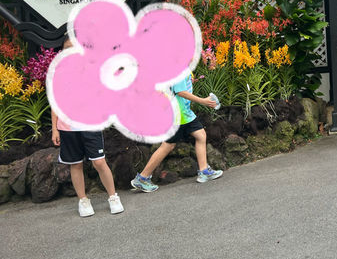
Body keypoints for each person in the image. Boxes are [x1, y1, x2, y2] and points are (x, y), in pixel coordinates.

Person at [52, 39, 124, 217]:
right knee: (75, 164)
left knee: (99, 161)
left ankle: (113, 197)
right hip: (67, 127)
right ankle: (83, 201)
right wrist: (54, 129)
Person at [131, 73, 222, 192]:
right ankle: (142, 178)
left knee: (200, 135)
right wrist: (203, 101)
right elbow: (180, 91)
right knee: (168, 145)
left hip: (185, 114)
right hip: (178, 116)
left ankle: (204, 171)